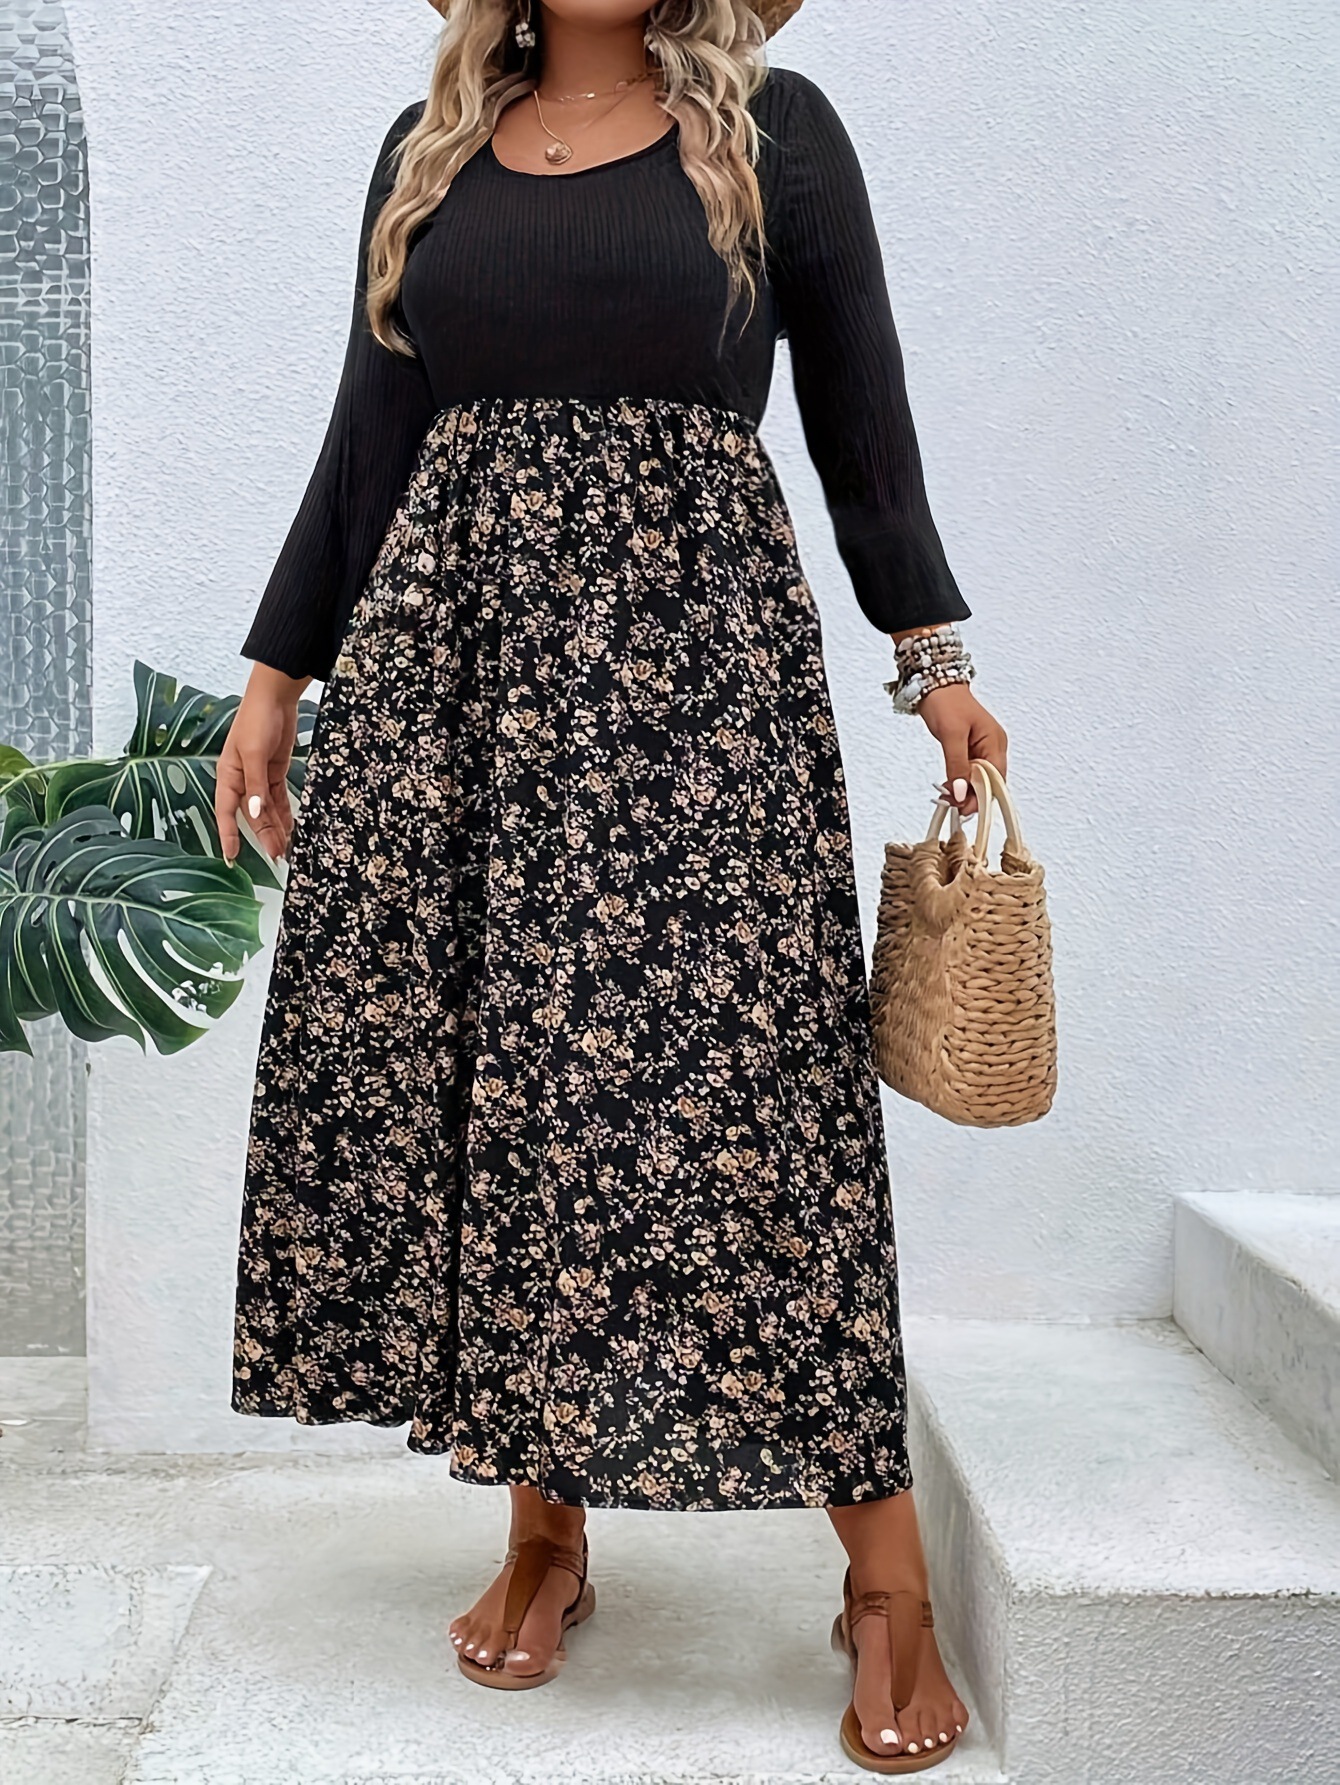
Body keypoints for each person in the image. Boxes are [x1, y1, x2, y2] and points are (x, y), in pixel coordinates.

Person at [217, 0, 1007, 1772]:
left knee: (758, 1113)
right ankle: (546, 1526)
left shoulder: (777, 132)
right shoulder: (428, 150)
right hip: (459, 700)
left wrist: (934, 655)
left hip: (697, 699)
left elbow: (862, 418)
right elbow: (369, 446)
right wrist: (276, 675)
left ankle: (884, 1576)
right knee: (510, 1094)